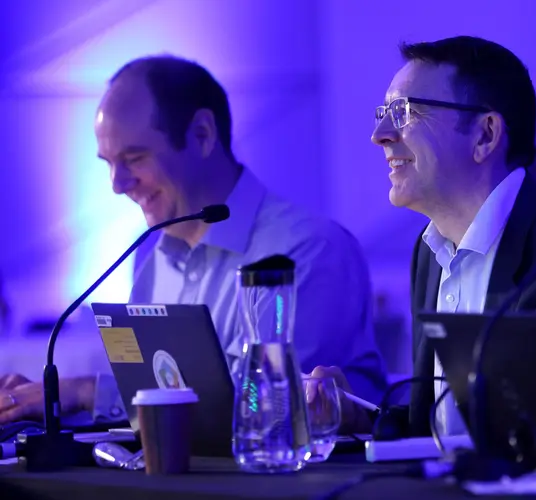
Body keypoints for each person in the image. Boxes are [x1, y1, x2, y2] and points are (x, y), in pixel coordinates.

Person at [310, 36, 536, 445]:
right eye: (384, 113)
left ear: (485, 136)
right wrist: (362, 418)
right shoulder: (430, 252)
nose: (380, 134)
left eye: (404, 113)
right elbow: (451, 430)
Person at [0, 55, 388, 426]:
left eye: (134, 158)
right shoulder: (151, 254)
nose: (118, 185)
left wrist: (87, 392)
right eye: (109, 163)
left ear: (202, 135)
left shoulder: (309, 249)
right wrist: (42, 405)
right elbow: (146, 400)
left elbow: (269, 409)